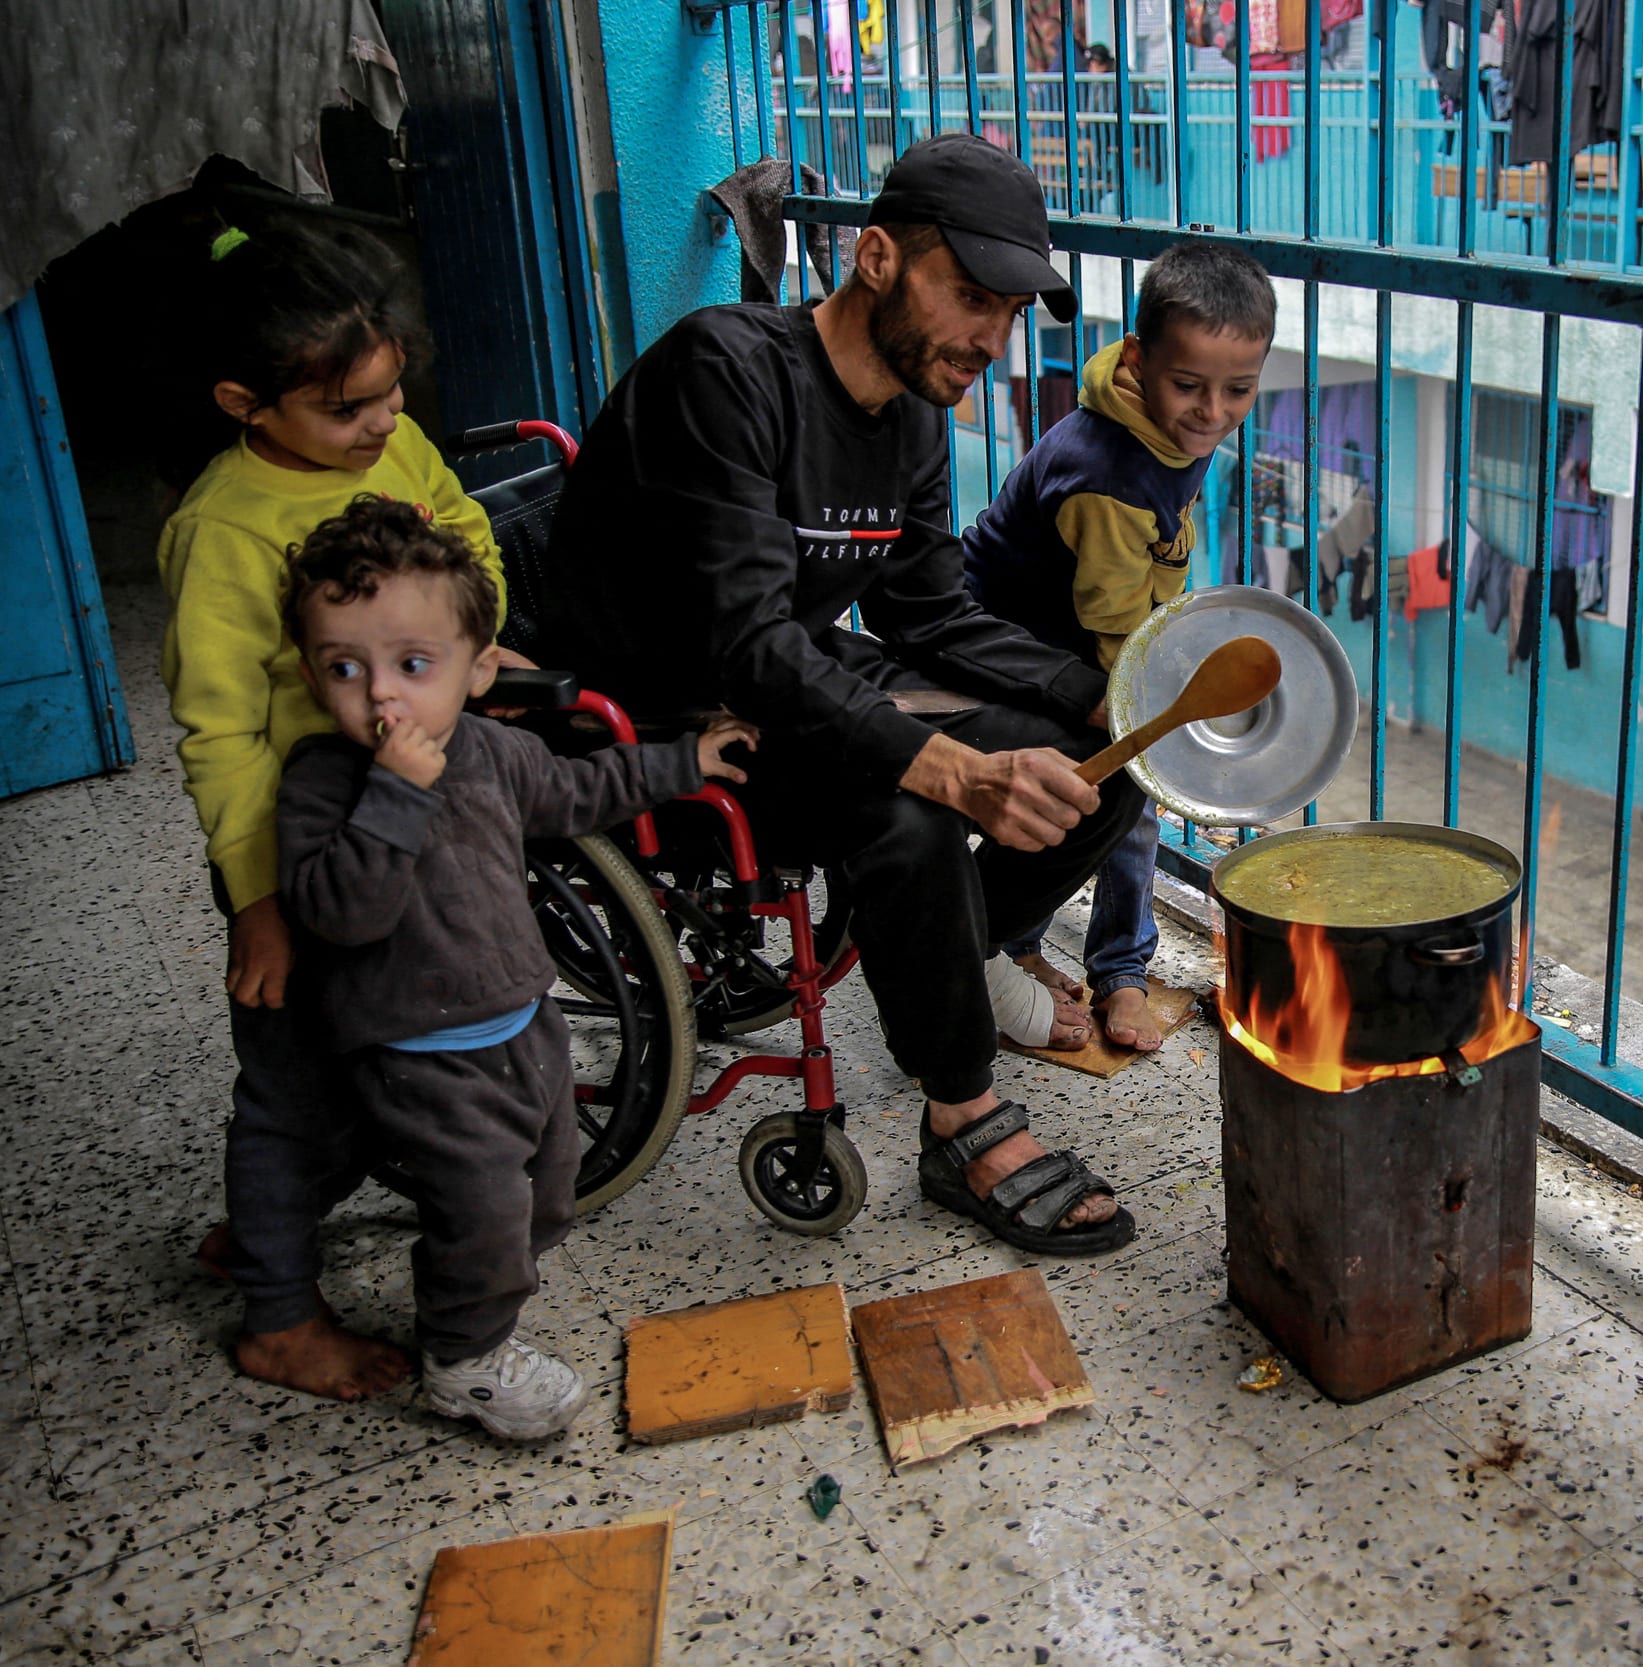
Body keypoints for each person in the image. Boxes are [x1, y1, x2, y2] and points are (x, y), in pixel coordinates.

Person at [544, 134, 1144, 1257]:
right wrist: (955, 770)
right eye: (969, 296)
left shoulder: (913, 413)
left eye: (1011, 311)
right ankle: (963, 1118)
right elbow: (745, 643)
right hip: (670, 721)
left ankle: (956, 949)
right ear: (874, 256)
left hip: (791, 682)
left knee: (1099, 772)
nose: (990, 338)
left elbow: (928, 615)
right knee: (909, 813)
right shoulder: (722, 372)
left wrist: (1104, 694)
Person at [274, 498, 757, 1439]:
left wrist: (682, 760)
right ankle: (462, 1357)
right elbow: (342, 910)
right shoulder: (320, 783)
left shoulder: (494, 749)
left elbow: (583, 791)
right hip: (420, 1054)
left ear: (479, 667)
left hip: (524, 1023)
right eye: (346, 668)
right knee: (486, 1210)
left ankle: (475, 1275)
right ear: (309, 673)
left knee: (548, 1187)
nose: (381, 696)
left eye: (414, 666)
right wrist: (392, 799)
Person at [156, 218, 516, 1402]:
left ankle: (272, 1223)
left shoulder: (394, 440)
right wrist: (260, 905)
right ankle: (276, 1312)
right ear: (244, 403)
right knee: (296, 1076)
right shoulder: (224, 528)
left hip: (402, 801)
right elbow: (221, 738)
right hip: (302, 837)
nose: (381, 427)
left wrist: (464, 638)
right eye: (349, 408)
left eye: (391, 394)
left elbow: (461, 530)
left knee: (374, 1037)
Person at [963, 240, 1274, 1051]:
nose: (1213, 412)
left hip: (1083, 625)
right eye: (1190, 386)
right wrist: (1155, 722)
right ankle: (1088, 962)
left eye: (1239, 389)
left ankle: (1063, 953)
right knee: (1124, 794)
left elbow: (1154, 559)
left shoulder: (1170, 424)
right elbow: (1113, 624)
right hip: (1009, 643)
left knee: (1112, 800)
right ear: (1137, 360)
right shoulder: (1107, 479)